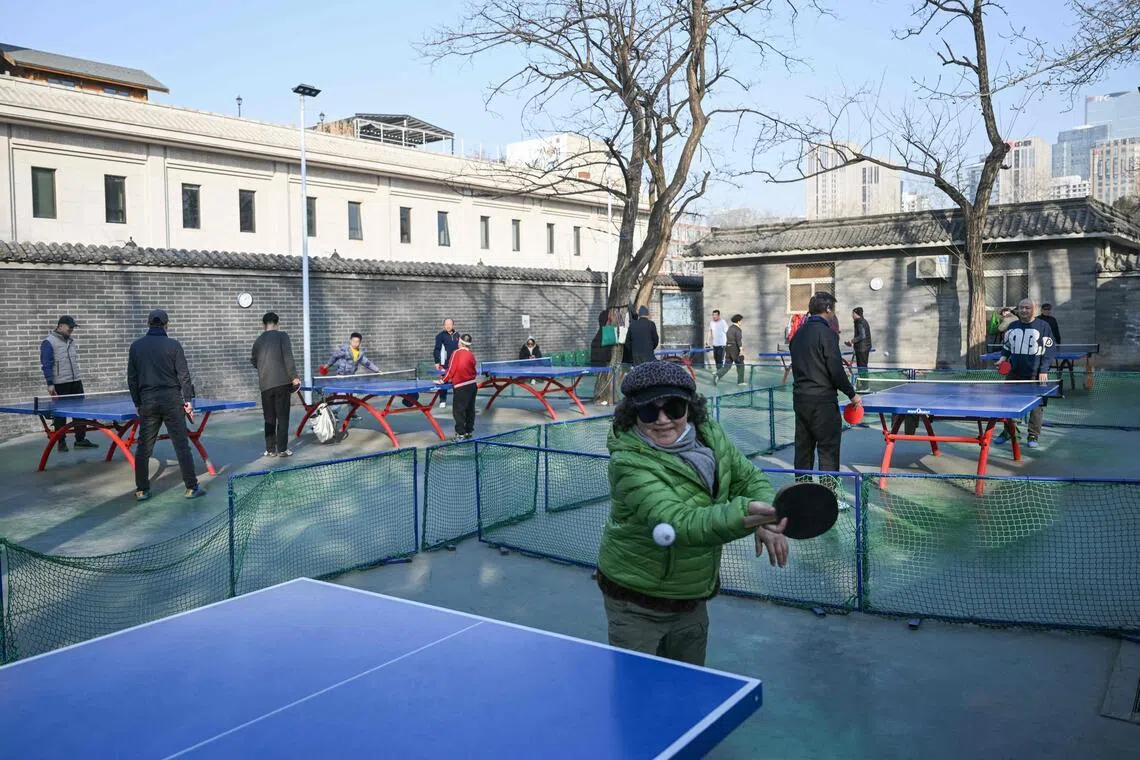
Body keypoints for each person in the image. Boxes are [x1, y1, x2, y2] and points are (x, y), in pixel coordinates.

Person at [596, 361, 789, 665]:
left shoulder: (709, 435)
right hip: (636, 604)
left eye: (673, 408)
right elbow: (681, 522)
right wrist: (750, 515)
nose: (663, 420)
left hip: (692, 597)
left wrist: (767, 516)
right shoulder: (627, 462)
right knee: (637, 689)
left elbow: (748, 478)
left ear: (689, 406)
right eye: (649, 412)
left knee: (689, 684)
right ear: (633, 414)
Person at [789, 292, 861, 499]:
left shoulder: (797, 335)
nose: (834, 313)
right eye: (833, 309)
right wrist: (852, 394)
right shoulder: (827, 334)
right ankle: (828, 497)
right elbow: (835, 370)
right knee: (828, 450)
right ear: (828, 309)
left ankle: (801, 494)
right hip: (823, 401)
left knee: (803, 449)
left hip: (800, 399)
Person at [127, 309, 204, 501]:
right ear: (166, 324)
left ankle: (142, 490)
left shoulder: (136, 346)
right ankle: (191, 487)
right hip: (171, 400)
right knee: (181, 445)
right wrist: (188, 401)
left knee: (144, 448)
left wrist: (137, 402)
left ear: (148, 324)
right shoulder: (174, 345)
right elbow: (184, 375)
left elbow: (132, 378)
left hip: (148, 400)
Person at [995, 298, 1055, 449]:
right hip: (1014, 373)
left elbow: (1049, 351)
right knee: (1008, 404)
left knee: (1036, 406)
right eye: (1021, 307)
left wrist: (1043, 370)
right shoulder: (1012, 326)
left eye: (1027, 308)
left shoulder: (1044, 326)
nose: (1023, 310)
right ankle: (1009, 432)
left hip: (1035, 374)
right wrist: (1002, 359)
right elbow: (1007, 347)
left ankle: (1033, 434)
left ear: (1033, 309)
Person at [39, 315, 98, 452]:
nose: (71, 329)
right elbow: (46, 364)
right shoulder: (48, 342)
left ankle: (80, 440)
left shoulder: (71, 341)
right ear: (60, 326)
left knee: (80, 412)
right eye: (69, 327)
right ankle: (61, 442)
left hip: (75, 381)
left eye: (73, 327)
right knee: (61, 414)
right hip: (60, 383)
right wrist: (50, 383)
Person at [250, 312, 301, 458]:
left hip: (265, 384)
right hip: (282, 382)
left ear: (263, 325)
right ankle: (282, 449)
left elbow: (253, 360)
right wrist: (294, 377)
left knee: (269, 418)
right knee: (282, 417)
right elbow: (288, 357)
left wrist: (263, 367)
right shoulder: (282, 336)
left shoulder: (258, 340)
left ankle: (270, 449)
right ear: (277, 324)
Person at [437, 333, 477, 440]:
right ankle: (468, 431)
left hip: (461, 386)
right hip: (472, 385)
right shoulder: (471, 354)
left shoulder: (456, 353)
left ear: (461, 342)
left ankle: (460, 434)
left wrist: (443, 380)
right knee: (470, 409)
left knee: (458, 411)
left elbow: (451, 369)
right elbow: (473, 367)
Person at [433, 318, 460, 410]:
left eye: (450, 324)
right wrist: (437, 361)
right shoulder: (440, 336)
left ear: (453, 325)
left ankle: (457, 401)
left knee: (456, 382)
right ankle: (442, 400)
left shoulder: (457, 335)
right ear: (443, 326)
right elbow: (437, 349)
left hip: (455, 364)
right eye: (446, 324)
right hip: (444, 364)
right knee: (443, 382)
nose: (448, 326)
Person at [589, 310, 613, 406]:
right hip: (602, 363)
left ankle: (600, 398)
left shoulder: (599, 333)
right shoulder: (608, 332)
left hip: (597, 362)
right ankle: (601, 398)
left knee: (601, 381)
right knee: (604, 381)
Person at [846, 307, 873, 388]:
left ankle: (865, 386)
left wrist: (852, 341)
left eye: (853, 313)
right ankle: (864, 385)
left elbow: (862, 335)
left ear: (856, 314)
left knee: (862, 367)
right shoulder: (862, 321)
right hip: (863, 347)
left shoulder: (859, 322)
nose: (852, 315)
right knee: (863, 367)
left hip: (862, 349)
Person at [715, 314, 746, 385]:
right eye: (741, 321)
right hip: (735, 349)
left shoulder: (730, 328)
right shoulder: (738, 329)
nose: (742, 322)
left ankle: (718, 374)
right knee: (740, 365)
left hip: (728, 348)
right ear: (738, 321)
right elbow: (738, 340)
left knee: (727, 366)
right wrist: (741, 350)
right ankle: (740, 382)